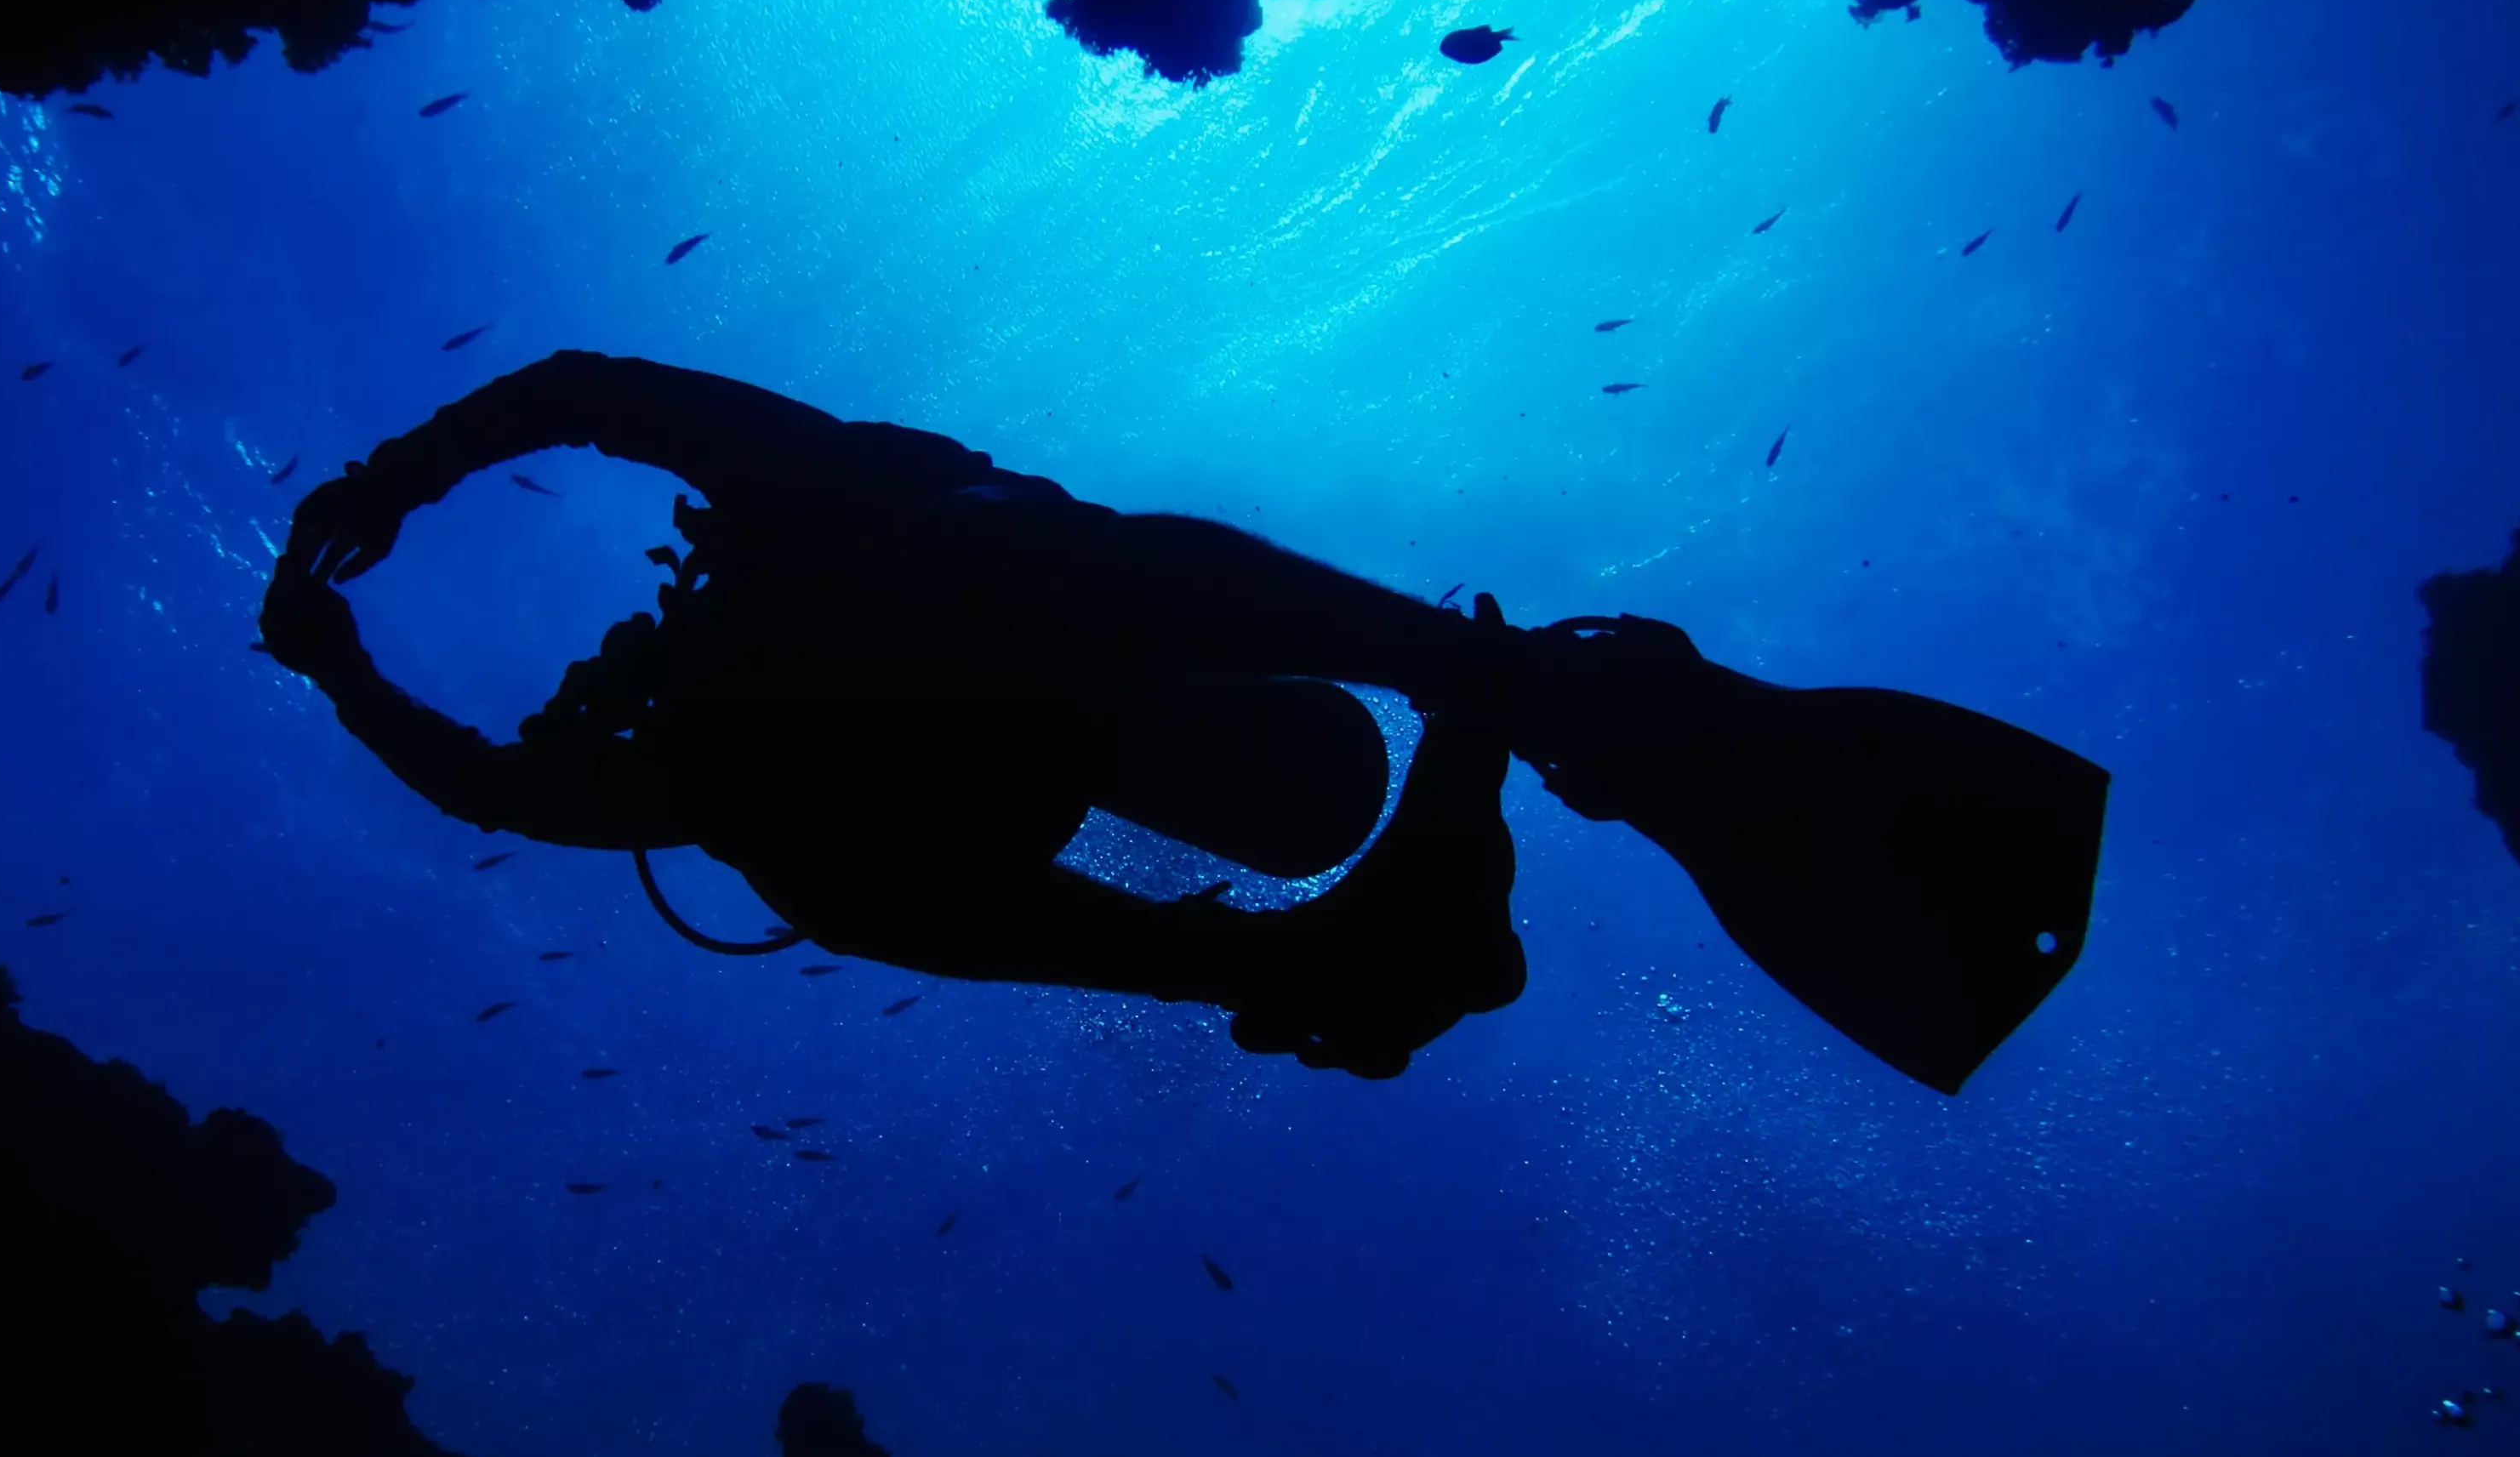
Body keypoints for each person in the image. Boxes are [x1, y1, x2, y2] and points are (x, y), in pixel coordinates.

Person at [261, 351, 2107, 1090]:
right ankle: (1452, 739)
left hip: (974, 738)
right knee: (959, 654)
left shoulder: (803, 617)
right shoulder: (811, 605)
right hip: (986, 748)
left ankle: (1444, 754)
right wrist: (392, 510)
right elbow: (591, 415)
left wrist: (359, 601)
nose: (598, 667)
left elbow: (486, 769)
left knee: (971, 600)